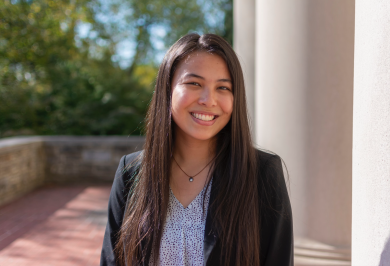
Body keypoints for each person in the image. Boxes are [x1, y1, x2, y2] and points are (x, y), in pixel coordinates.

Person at [100, 33, 293, 266]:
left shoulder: (262, 173)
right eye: (194, 83)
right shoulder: (131, 173)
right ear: (168, 88)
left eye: (223, 87)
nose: (208, 99)